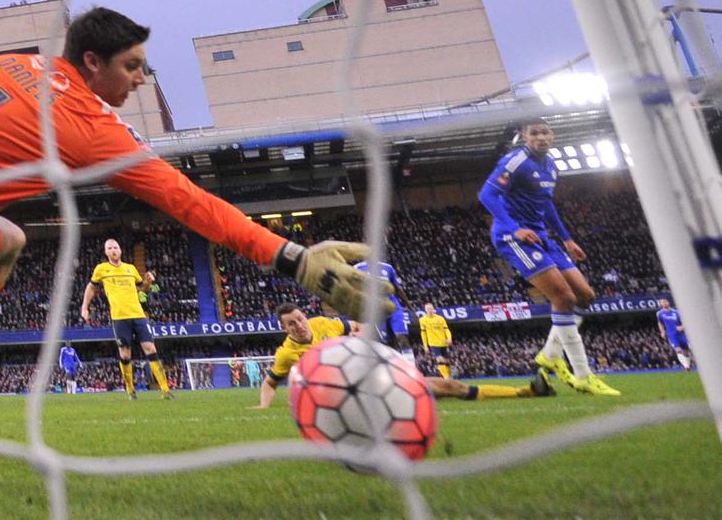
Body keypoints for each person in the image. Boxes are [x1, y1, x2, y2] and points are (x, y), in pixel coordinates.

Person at [0, 7, 387, 462]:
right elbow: (188, 202)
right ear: (93, 61)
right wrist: (292, 256)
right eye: (132, 66)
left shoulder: (8, 62)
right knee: (7, 242)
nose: (141, 78)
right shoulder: (92, 128)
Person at [478, 118, 620, 396]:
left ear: (552, 135)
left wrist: (566, 238)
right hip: (514, 237)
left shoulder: (551, 165)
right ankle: (583, 375)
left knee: (585, 295)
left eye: (545, 132)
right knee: (563, 298)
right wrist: (514, 227)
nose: (541, 137)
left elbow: (546, 205)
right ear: (524, 136)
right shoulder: (515, 160)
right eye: (534, 133)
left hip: (543, 236)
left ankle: (550, 355)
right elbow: (487, 195)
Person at [251, 303, 554, 409]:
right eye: (291, 324)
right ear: (283, 328)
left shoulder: (323, 323)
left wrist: (359, 332)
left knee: (448, 387)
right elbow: (270, 381)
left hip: (376, 374)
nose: (300, 325)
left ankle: (525, 391)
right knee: (439, 389)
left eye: (300, 318)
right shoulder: (286, 353)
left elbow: (360, 324)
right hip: (352, 393)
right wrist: (265, 406)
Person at [81, 239, 172, 400]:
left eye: (116, 247)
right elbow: (91, 287)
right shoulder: (101, 269)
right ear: (106, 252)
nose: (113, 250)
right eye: (110, 248)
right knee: (125, 354)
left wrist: (148, 282)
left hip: (138, 315)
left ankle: (165, 390)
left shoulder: (130, 268)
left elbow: (141, 288)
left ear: (120, 250)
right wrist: (84, 307)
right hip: (119, 317)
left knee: (151, 348)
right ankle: (131, 390)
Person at [354, 260, 416, 366]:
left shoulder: (388, 267)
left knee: (402, 337)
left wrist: (411, 308)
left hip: (394, 307)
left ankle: (411, 367)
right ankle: (394, 367)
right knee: (387, 342)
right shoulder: (358, 267)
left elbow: (398, 288)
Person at [656, 298, 692, 371]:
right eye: (662, 302)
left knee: (686, 351)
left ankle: (688, 364)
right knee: (678, 350)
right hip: (671, 334)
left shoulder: (676, 312)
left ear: (668, 302)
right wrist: (662, 331)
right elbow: (660, 323)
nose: (664, 303)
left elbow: (686, 321)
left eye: (665, 301)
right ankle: (686, 366)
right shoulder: (659, 313)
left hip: (681, 334)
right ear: (660, 304)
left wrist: (682, 327)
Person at [419, 303, 453, 379]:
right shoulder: (423, 320)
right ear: (425, 310)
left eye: (430, 308)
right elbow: (423, 333)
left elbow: (446, 329)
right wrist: (425, 346)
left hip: (444, 342)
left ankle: (449, 377)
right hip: (433, 343)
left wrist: (449, 338)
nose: (429, 310)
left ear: (433, 309)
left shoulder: (440, 318)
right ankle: (446, 378)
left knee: (447, 361)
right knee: (440, 360)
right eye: (428, 309)